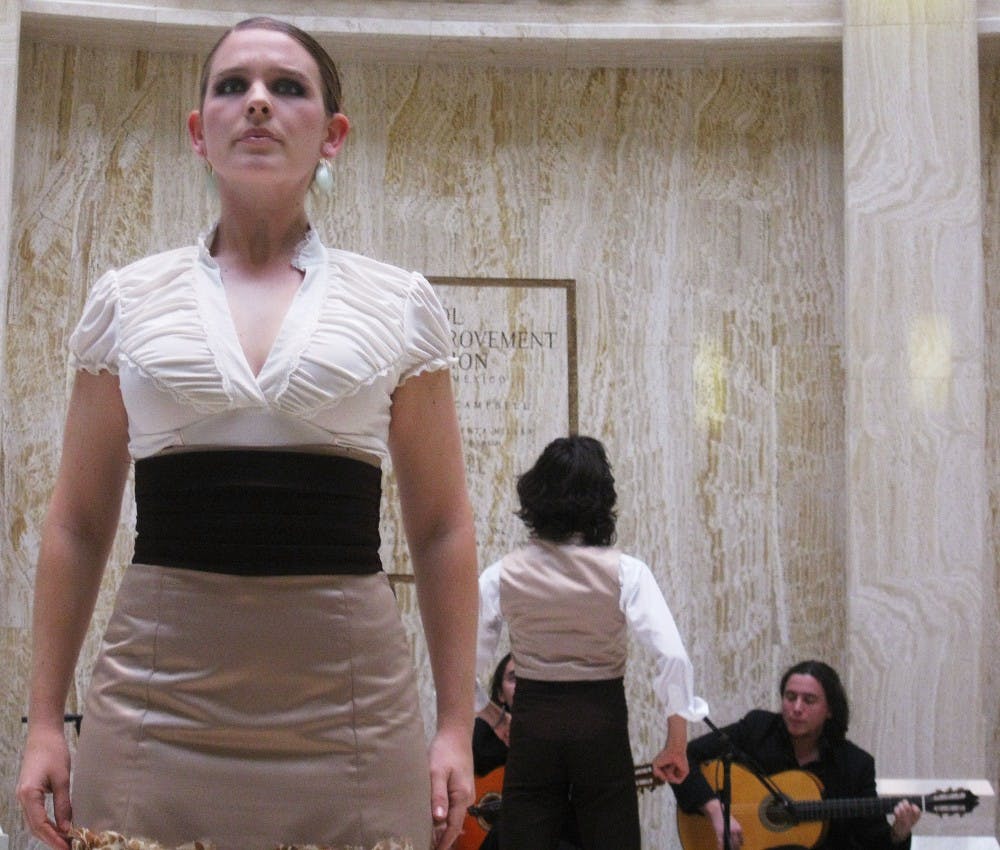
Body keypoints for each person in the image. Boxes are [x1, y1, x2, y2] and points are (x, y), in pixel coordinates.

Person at [16, 16, 477, 850]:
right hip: (157, 701)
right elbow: (77, 525)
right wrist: (44, 719)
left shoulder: (399, 302)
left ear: (332, 136)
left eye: (287, 87)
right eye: (232, 86)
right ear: (199, 132)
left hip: (350, 707)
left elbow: (442, 527)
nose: (257, 103)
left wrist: (454, 724)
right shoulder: (126, 299)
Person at [475, 435, 708, 850]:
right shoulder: (627, 572)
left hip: (534, 724)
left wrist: (495, 718)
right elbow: (672, 657)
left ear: (535, 494)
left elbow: (457, 669)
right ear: (603, 499)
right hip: (600, 722)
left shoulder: (501, 574)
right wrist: (676, 742)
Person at [670, 659, 922, 850]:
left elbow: (871, 841)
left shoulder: (855, 765)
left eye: (809, 700)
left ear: (830, 710)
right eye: (790, 697)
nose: (796, 708)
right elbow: (683, 759)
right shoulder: (757, 729)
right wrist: (716, 812)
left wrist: (898, 834)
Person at [468, 655, 580, 850]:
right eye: (514, 679)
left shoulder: (565, 734)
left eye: (530, 679)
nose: (523, 686)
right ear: (500, 694)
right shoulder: (481, 735)